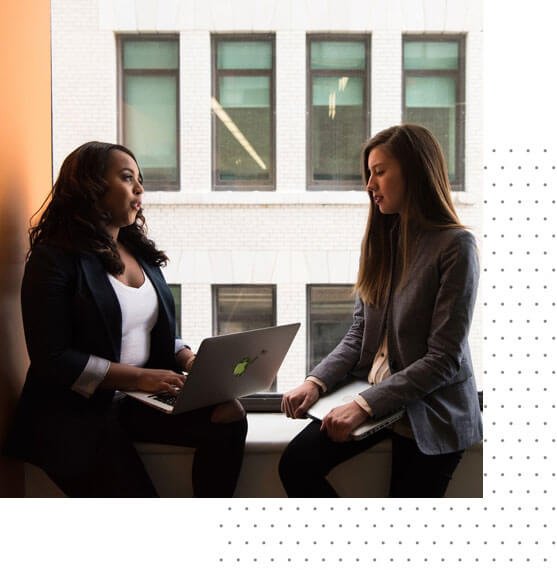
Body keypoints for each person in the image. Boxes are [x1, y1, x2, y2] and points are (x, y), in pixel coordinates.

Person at [3, 141, 247, 497]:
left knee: (228, 414)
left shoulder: (138, 252)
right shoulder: (52, 258)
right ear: (91, 185)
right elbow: (51, 358)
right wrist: (140, 377)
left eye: (140, 181)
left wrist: (189, 359)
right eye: (127, 178)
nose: (139, 189)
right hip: (72, 414)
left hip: (133, 400)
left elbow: (145, 329)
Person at [279, 124, 482, 498]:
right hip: (376, 395)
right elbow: (360, 333)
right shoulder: (381, 241)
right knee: (295, 464)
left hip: (431, 408)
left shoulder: (456, 246)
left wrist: (364, 406)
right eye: (368, 173)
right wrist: (316, 382)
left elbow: (443, 360)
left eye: (380, 171)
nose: (369, 184)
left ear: (415, 172)